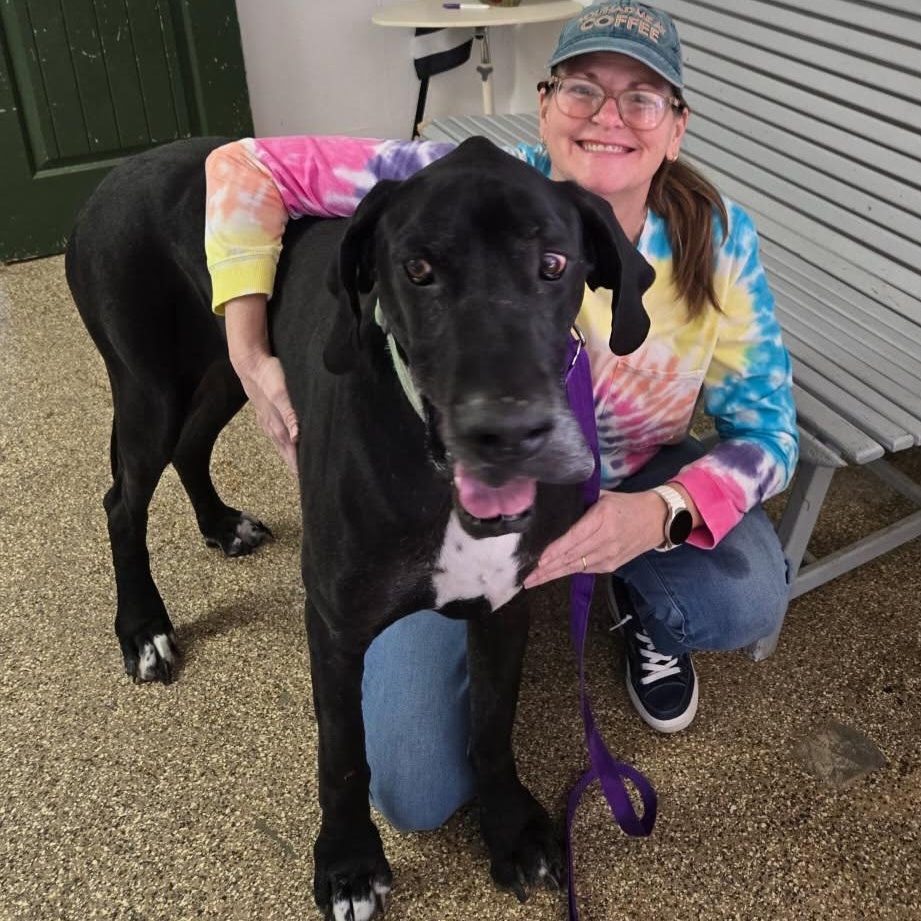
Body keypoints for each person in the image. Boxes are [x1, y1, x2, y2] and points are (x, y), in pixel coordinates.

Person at [204, 2, 797, 832]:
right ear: (546, 104)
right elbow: (244, 164)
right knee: (413, 793)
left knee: (743, 591)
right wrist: (248, 350)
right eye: (583, 89)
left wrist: (655, 515)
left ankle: (633, 600)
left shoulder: (718, 240)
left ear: (675, 127)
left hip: (623, 478)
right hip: (464, 479)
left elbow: (769, 435)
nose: (607, 117)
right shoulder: (452, 182)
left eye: (641, 98)